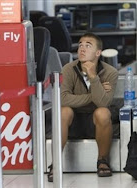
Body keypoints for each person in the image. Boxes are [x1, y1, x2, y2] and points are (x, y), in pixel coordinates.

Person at [47, 33, 118, 182]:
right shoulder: (68, 69)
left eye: (88, 45)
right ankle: (55, 164)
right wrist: (94, 93)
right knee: (63, 111)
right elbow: (64, 98)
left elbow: (103, 103)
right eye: (80, 45)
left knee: (103, 112)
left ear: (98, 53)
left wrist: (94, 78)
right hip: (74, 121)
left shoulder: (110, 72)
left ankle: (103, 161)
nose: (82, 49)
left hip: (95, 122)